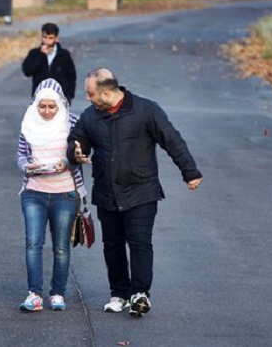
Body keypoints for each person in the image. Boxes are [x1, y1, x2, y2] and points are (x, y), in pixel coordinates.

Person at [67, 68, 202, 318]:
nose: (87, 98)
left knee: (140, 242)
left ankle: (140, 294)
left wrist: (190, 172)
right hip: (107, 191)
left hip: (141, 190)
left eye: (90, 93)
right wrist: (74, 153)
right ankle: (119, 294)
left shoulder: (146, 110)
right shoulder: (90, 117)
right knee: (113, 245)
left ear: (106, 93)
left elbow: (171, 140)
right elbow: (76, 142)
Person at [16, 78, 87, 312]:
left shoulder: (72, 122)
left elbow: (82, 154)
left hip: (64, 193)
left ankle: (58, 293)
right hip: (34, 191)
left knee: (61, 247)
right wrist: (26, 166)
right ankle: (34, 294)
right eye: (42, 106)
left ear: (60, 104)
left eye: (51, 106)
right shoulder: (28, 122)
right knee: (33, 244)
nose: (46, 111)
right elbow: (21, 155)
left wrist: (67, 163)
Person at [22, 22, 77, 104]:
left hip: (60, 98)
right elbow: (27, 71)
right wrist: (41, 55)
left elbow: (71, 75)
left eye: (50, 38)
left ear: (56, 38)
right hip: (40, 97)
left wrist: (69, 95)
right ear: (41, 37)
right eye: (45, 37)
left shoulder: (64, 55)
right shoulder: (34, 53)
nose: (47, 41)